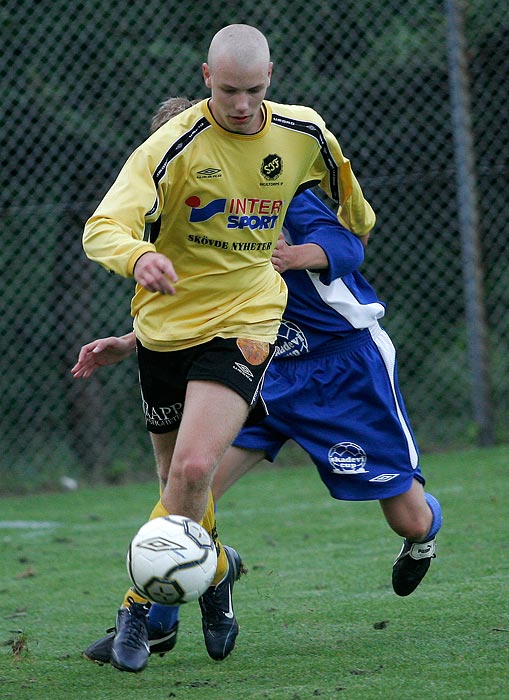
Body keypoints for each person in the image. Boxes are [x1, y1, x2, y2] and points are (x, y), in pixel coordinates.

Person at [75, 99, 441, 667]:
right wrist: (130, 340)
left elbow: (351, 242)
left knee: (408, 516)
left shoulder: (280, 191)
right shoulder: (188, 211)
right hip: (262, 369)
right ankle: (152, 617)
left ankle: (424, 535)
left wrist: (297, 256)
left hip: (336, 368)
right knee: (190, 487)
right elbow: (197, 306)